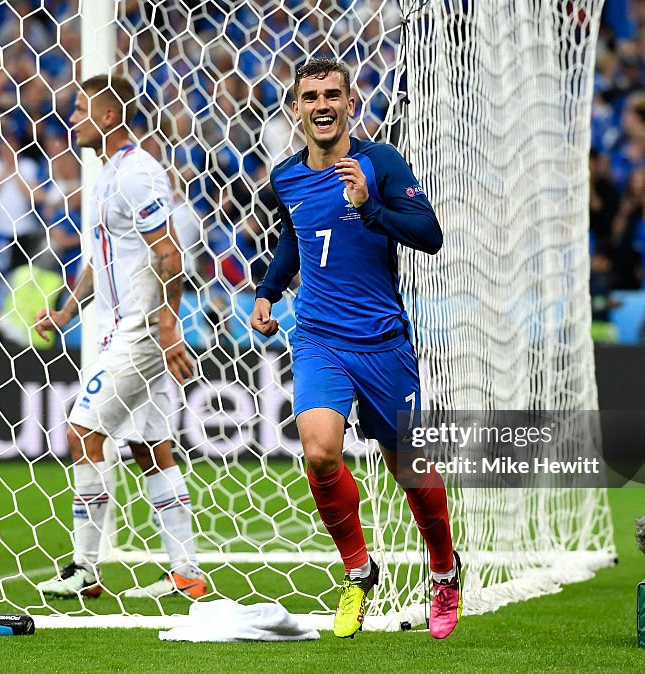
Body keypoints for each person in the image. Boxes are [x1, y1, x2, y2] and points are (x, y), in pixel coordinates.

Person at [250, 58, 460, 640]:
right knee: (319, 452)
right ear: (296, 109)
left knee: (408, 467)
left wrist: (370, 205)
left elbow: (430, 236)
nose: (321, 105)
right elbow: (296, 239)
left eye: (332, 95)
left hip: (381, 339)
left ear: (349, 103)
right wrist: (268, 291)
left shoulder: (380, 161)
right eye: (310, 96)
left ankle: (444, 570)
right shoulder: (285, 177)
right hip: (317, 335)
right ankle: (359, 571)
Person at [33, 74, 205, 600]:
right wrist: (67, 312)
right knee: (151, 447)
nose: (74, 118)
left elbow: (169, 253)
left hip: (140, 325)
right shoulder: (108, 175)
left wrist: (168, 326)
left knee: (82, 432)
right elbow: (100, 257)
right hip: (119, 324)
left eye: (82, 108)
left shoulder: (137, 174)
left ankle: (85, 568)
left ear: (109, 116)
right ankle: (187, 573)